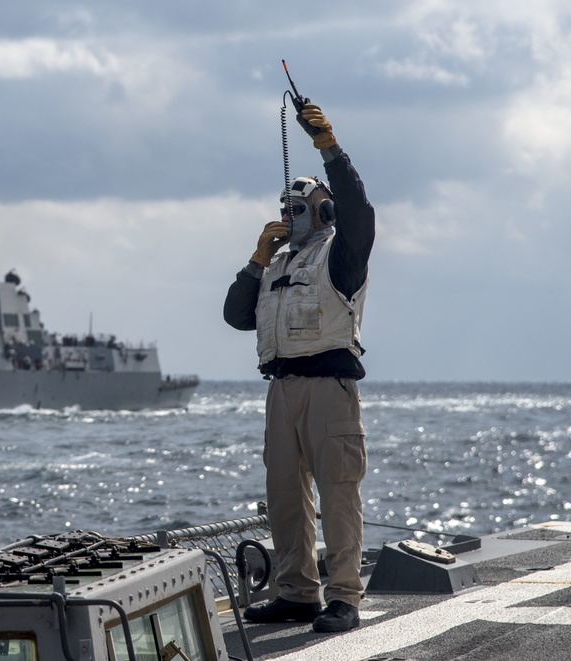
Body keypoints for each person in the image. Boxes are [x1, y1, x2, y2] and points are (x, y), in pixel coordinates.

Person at [222, 102, 375, 633]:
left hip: (328, 389)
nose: (290, 218)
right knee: (285, 494)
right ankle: (296, 592)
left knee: (337, 492)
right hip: (282, 390)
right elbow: (236, 316)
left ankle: (345, 598)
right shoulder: (278, 263)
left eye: (299, 208)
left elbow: (360, 211)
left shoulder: (342, 253)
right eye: (286, 210)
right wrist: (259, 256)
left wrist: (328, 145)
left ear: (323, 211)